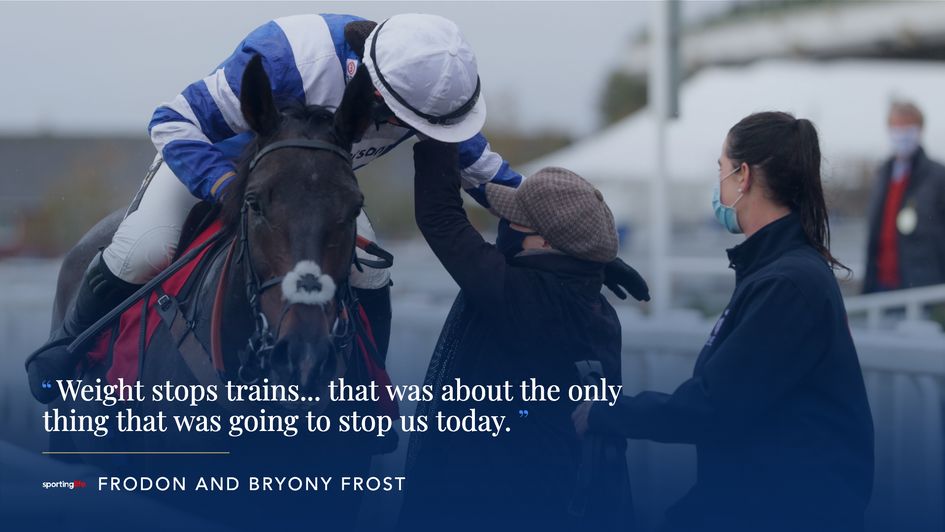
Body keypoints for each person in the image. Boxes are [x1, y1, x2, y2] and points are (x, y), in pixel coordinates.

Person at [26, 12, 646, 403]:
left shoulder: (433, 94)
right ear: (373, 83)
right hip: (216, 166)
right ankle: (69, 350)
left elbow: (490, 177)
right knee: (145, 246)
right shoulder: (285, 55)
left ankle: (364, 389)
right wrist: (224, 188)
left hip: (316, 192)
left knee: (371, 267)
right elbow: (172, 121)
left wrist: (581, 247)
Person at [573, 112, 875, 532]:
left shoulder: (787, 284)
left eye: (720, 168)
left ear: (743, 175)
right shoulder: (776, 272)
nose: (719, 183)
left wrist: (606, 414)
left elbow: (716, 405)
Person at [398, 140, 640, 531]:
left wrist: (433, 125)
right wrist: (599, 257)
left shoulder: (530, 300)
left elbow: (440, 218)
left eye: (516, 221)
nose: (505, 226)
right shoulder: (596, 306)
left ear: (545, 244)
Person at [863, 101, 945, 294]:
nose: (902, 135)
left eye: (908, 128)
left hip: (921, 287)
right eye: (896, 127)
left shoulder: (937, 176)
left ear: (920, 130)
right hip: (880, 284)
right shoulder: (882, 174)